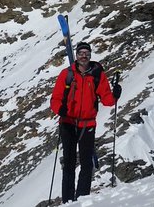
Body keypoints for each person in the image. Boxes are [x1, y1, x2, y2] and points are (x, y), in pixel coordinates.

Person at [49, 41, 121, 203]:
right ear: (76, 55)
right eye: (81, 53)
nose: (84, 56)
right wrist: (59, 109)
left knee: (86, 164)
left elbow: (107, 100)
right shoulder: (66, 74)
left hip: (87, 124)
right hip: (67, 122)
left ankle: (81, 200)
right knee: (68, 164)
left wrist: (115, 94)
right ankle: (68, 201)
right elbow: (56, 98)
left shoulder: (97, 74)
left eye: (86, 53)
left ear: (90, 55)